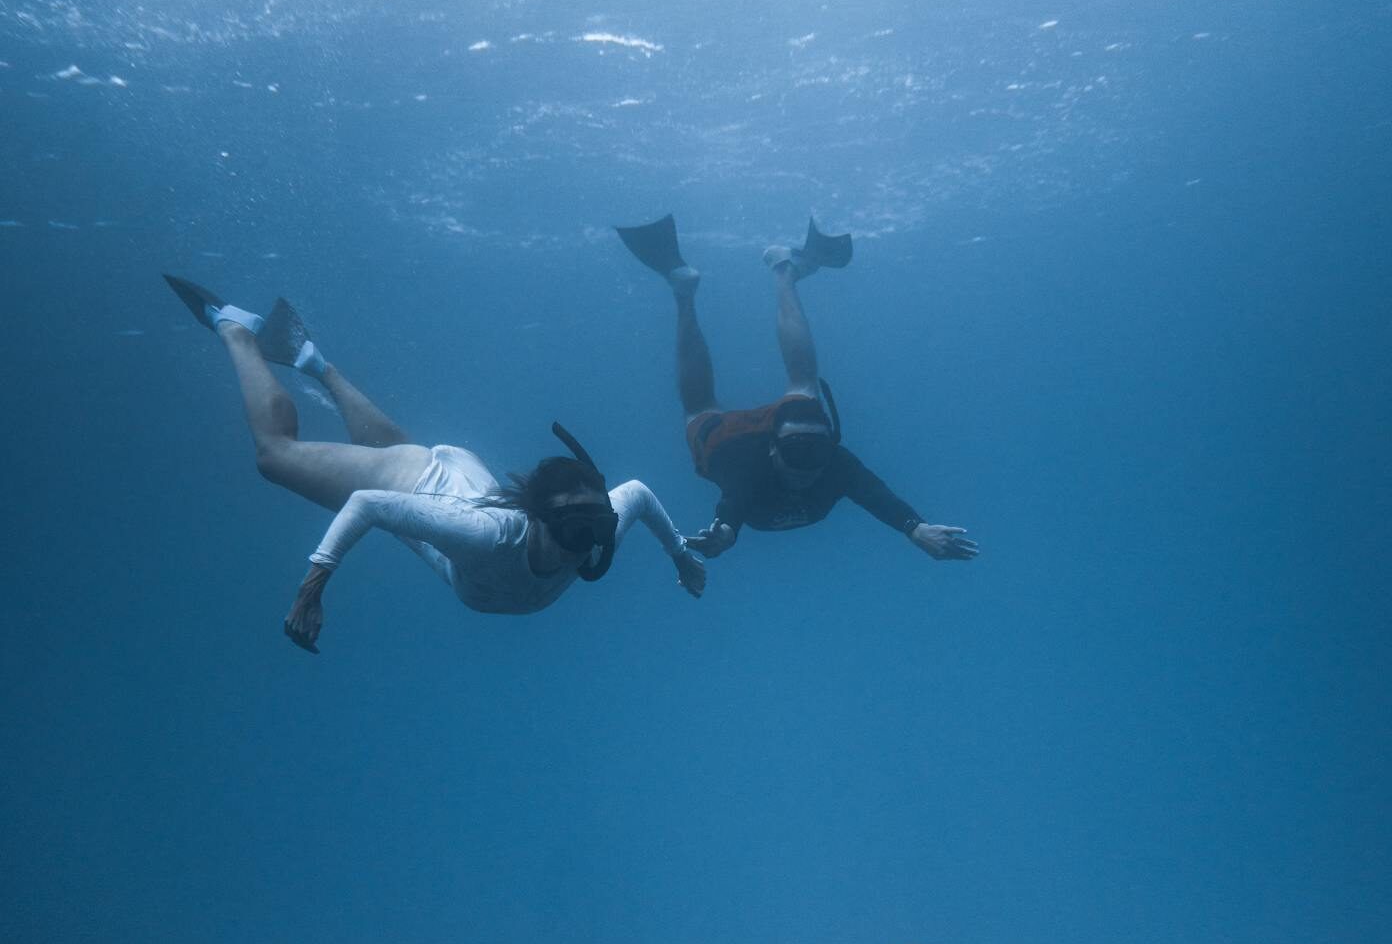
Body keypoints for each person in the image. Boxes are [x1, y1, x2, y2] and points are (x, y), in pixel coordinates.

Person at [164, 276, 705, 652]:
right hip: (416, 481)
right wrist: (313, 587)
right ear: (536, 518)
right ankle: (235, 327)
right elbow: (368, 504)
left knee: (404, 457)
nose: (586, 542)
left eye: (598, 526)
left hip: (453, 477)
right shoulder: (489, 536)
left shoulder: (591, 524)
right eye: (575, 527)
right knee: (274, 457)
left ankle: (315, 362)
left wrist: (680, 554)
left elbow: (636, 492)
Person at [615, 214, 979, 563]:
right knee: (768, 391)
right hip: (731, 442)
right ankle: (773, 274)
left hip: (759, 438)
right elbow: (734, 501)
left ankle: (700, 286)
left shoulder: (833, 462)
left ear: (828, 448)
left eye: (815, 454)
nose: (806, 468)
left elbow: (875, 493)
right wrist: (726, 530)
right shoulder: (746, 465)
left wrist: (916, 529)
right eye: (798, 455)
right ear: (772, 449)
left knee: (759, 398)